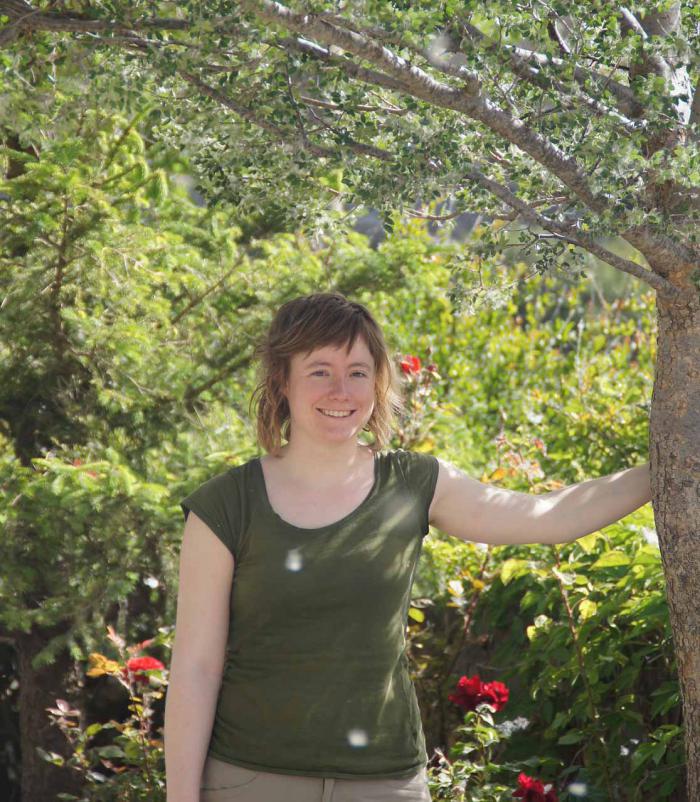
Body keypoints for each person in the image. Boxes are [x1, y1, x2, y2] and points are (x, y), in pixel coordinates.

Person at [163, 292, 652, 802]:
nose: (341, 389)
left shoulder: (414, 483)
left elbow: (550, 517)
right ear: (282, 381)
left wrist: (664, 468)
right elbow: (197, 668)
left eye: (357, 371)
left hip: (384, 782)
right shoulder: (224, 506)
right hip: (250, 780)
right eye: (319, 371)